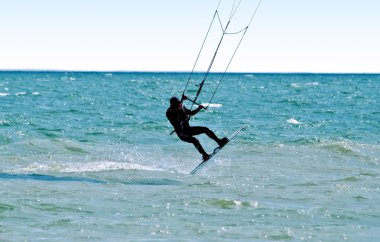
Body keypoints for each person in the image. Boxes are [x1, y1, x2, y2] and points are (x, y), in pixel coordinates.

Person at [166, 95, 228, 161]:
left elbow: (191, 113)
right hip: (182, 133)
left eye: (179, 103)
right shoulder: (169, 112)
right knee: (195, 140)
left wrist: (199, 108)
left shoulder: (181, 107)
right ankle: (204, 155)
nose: (180, 104)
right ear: (173, 105)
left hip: (188, 130)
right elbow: (176, 122)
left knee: (206, 129)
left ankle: (219, 142)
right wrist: (184, 119)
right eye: (178, 104)